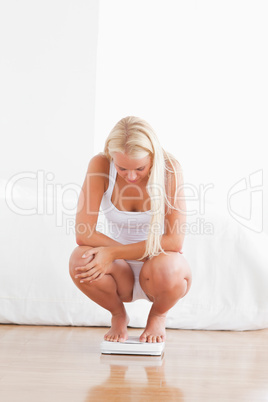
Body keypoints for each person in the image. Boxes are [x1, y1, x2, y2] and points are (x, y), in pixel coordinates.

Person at [69, 116, 192, 343]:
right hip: (120, 271)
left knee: (170, 267)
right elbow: (84, 232)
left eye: (140, 168)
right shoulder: (100, 165)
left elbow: (174, 242)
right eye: (122, 168)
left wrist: (114, 252)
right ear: (111, 156)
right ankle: (118, 315)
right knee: (80, 260)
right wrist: (118, 257)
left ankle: (157, 315)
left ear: (153, 156)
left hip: (157, 269)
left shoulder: (170, 169)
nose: (132, 176)